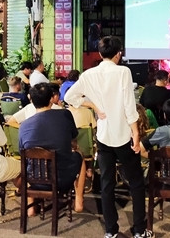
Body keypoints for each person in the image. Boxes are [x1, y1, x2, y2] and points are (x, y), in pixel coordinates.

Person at [65, 36, 153, 238]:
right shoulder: (123, 72)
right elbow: (129, 106)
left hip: (103, 136)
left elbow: (69, 97)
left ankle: (111, 231)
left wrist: (94, 106)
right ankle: (139, 230)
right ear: (118, 54)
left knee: (106, 185)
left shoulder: (89, 74)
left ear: (100, 53)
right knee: (136, 183)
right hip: (123, 135)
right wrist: (136, 133)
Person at [18, 83, 86, 213]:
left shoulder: (24, 126)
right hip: (62, 178)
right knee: (80, 156)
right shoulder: (64, 114)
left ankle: (31, 206)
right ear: (51, 99)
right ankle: (79, 200)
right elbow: (73, 139)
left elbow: (22, 152)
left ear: (31, 100)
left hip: (34, 179)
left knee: (27, 162)